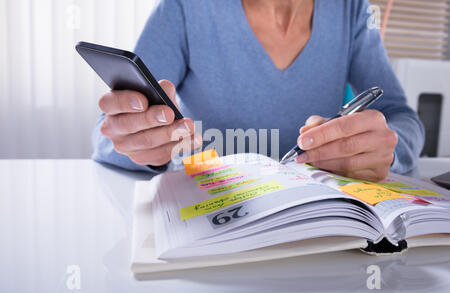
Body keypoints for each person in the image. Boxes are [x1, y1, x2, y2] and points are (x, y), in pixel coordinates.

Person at [92, 0, 425, 182]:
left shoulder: (351, 10)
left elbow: (402, 119)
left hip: (318, 227)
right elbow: (108, 134)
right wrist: (145, 145)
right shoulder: (184, 9)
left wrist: (385, 150)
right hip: (207, 218)